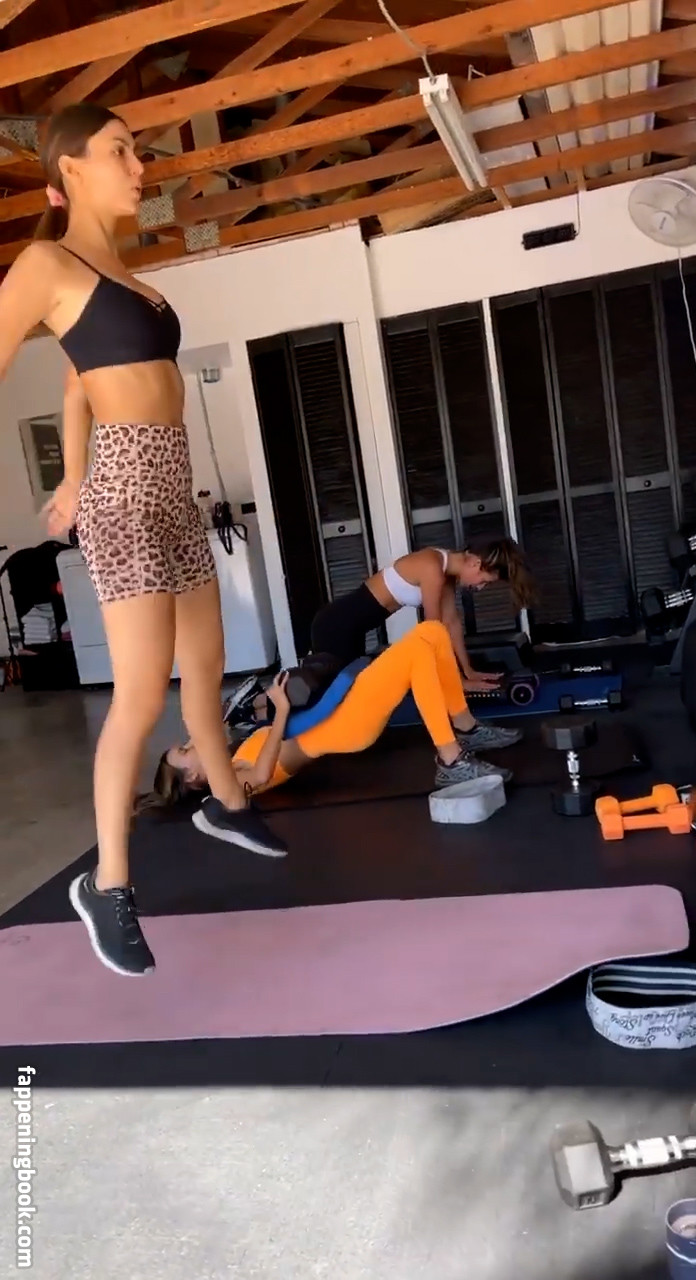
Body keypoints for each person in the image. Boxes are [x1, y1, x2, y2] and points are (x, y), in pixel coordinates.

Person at [0, 103, 284, 979]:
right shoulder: (44, 264)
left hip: (169, 480)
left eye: (138, 151)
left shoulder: (121, 276)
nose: (139, 167)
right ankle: (109, 885)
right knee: (138, 695)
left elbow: (80, 384)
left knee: (208, 664)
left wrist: (68, 473)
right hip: (127, 491)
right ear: (70, 169)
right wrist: (84, 482)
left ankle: (225, 800)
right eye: (120, 151)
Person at [152, 620, 515, 811]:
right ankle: (451, 760)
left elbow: (210, 729)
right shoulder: (226, 787)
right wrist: (281, 711)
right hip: (347, 726)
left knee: (431, 631)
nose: (188, 744)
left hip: (337, 713)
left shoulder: (226, 759)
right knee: (419, 651)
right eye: (184, 751)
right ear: (193, 776)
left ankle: (465, 727)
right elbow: (261, 774)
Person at [310, 537, 535, 751]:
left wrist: (468, 672)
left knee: (351, 700)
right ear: (475, 563)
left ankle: (467, 730)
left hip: (352, 629)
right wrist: (457, 680)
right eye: (484, 581)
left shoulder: (445, 573)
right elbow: (433, 631)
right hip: (334, 626)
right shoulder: (432, 567)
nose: (480, 587)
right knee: (335, 703)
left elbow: (451, 623)